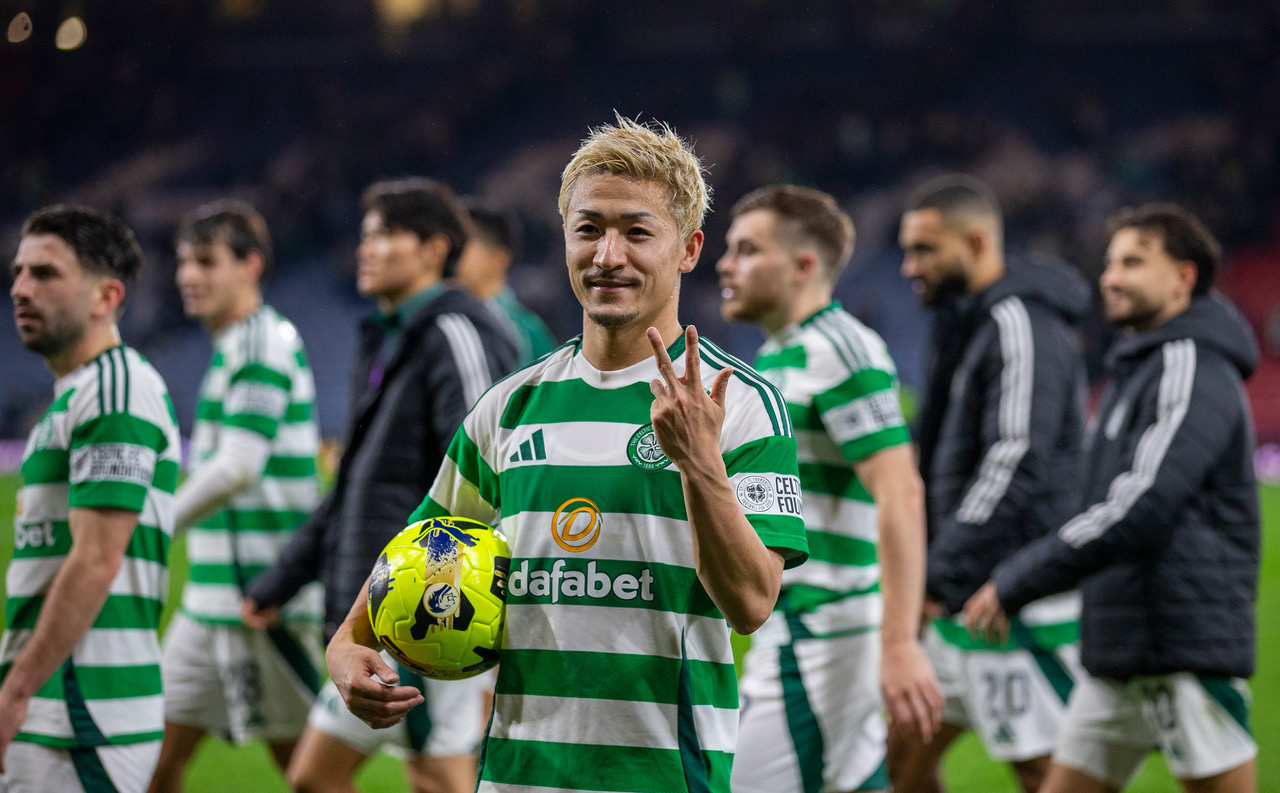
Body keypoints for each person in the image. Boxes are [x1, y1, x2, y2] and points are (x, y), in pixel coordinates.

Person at [325, 116, 809, 793]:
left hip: (663, 778)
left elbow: (752, 602)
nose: (608, 255)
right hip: (516, 775)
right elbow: (420, 543)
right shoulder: (509, 406)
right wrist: (348, 641)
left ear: (689, 248)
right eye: (589, 229)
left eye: (637, 232)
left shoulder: (743, 405)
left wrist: (700, 462)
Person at [964, 204, 1260, 793]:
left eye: (1133, 262)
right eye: (1109, 263)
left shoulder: (1190, 364)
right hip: (1122, 649)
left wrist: (1020, 577)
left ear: (1183, 277)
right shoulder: (1139, 367)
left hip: (1183, 646)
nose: (1111, 278)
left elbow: (1140, 504)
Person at [240, 178, 517, 793]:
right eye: (365, 236)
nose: (365, 249)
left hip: (428, 605)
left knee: (433, 776)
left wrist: (439, 600)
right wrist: (281, 582)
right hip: (382, 600)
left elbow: (485, 473)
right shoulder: (390, 338)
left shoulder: (455, 332)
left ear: (434, 249)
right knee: (322, 776)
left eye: (385, 235)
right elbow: (354, 490)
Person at [717, 184, 942, 793]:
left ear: (803, 266)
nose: (725, 265)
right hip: (802, 624)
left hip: (824, 628)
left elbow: (901, 492)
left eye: (747, 250)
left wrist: (900, 644)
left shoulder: (841, 350)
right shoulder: (775, 358)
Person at [891, 175, 1091, 793]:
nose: (909, 267)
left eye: (925, 250)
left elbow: (1015, 459)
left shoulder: (1019, 322)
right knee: (899, 755)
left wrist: (938, 576)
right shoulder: (964, 324)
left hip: (1016, 595)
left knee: (1043, 772)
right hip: (962, 590)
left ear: (976, 242)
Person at [1, 205, 181, 792]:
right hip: (56, 705)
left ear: (107, 296)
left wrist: (16, 691)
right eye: (19, 271)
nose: (20, 288)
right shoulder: (79, 391)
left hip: (80, 714)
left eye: (45, 273)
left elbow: (96, 559)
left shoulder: (114, 390)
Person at [147, 201, 324, 793]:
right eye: (182, 262)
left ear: (250, 265)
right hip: (210, 605)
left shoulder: (260, 344)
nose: (186, 276)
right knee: (149, 763)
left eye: (206, 261)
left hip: (261, 603)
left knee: (311, 776)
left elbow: (237, 466)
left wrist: (149, 524)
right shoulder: (237, 347)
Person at [457, 199, 558, 367]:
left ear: (498, 259)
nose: (451, 255)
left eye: (462, 246)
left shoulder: (524, 332)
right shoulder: (457, 315)